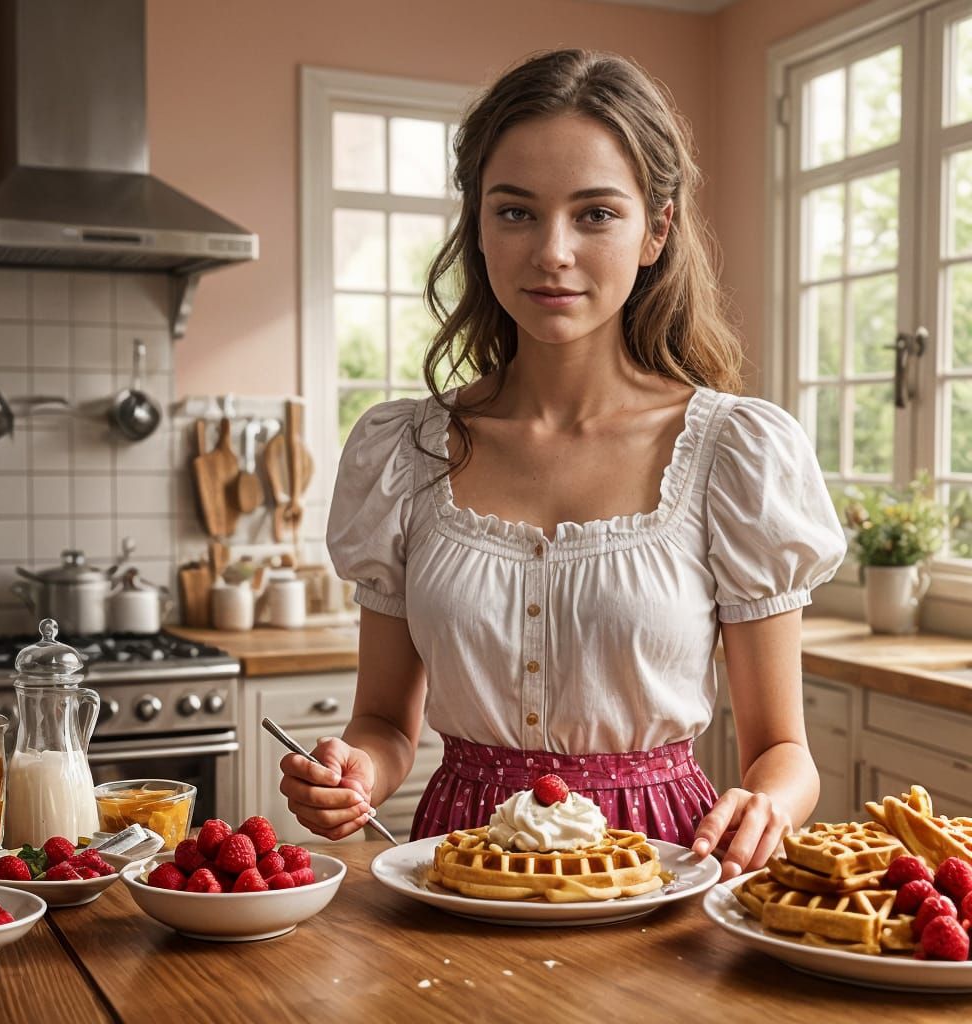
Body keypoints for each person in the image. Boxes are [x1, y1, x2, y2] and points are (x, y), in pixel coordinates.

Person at [279, 48, 846, 880]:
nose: (551, 251)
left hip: (657, 873)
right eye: (515, 212)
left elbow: (783, 751)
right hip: (458, 872)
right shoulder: (404, 451)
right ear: (478, 223)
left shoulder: (736, 453)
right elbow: (386, 724)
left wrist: (766, 807)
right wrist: (356, 770)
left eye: (595, 214)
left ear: (656, 230)